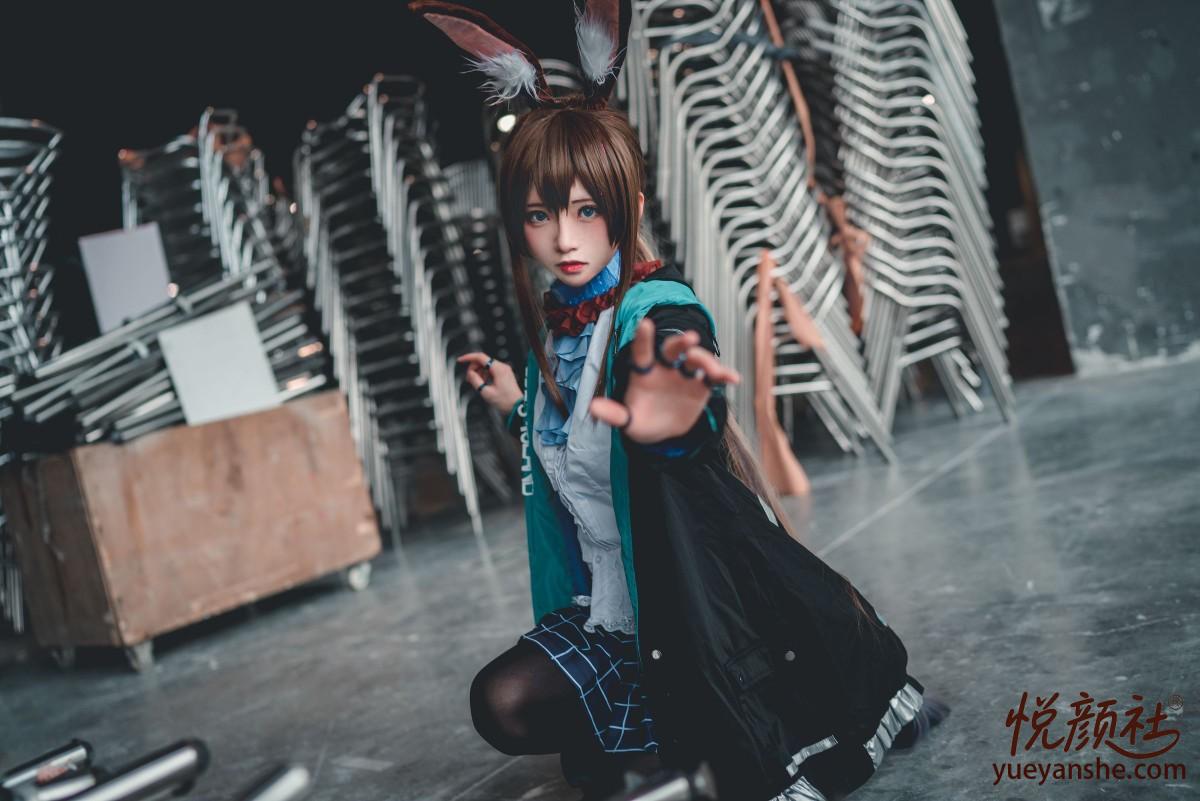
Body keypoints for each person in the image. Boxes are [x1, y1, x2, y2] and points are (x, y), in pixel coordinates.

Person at [412, 2, 949, 799]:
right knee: (503, 702)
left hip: (695, 607)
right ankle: (666, 737)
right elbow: (586, 454)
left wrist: (671, 411)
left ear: (623, 204)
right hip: (613, 610)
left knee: (719, 760)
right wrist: (521, 405)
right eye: (540, 214)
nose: (565, 237)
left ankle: (709, 732)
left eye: (586, 209)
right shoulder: (552, 339)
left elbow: (677, 377)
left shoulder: (654, 307)